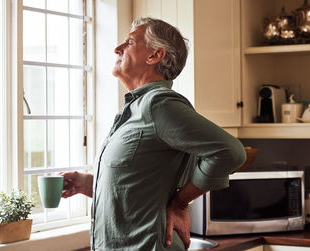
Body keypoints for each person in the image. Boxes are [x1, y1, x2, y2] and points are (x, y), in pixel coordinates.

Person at [60, 17, 246, 251]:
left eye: (129, 42)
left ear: (155, 56)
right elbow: (137, 185)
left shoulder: (159, 105)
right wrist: (86, 183)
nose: (117, 48)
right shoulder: (134, 109)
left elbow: (231, 152)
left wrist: (180, 203)